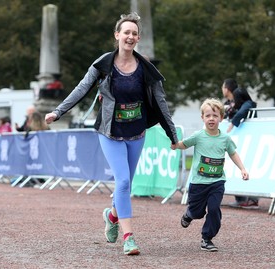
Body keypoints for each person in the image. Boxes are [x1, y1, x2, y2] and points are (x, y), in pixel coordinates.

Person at [44, 12, 178, 256]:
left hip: (137, 132)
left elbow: (160, 101)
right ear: (117, 35)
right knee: (124, 181)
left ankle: (111, 215)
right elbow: (82, 88)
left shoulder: (145, 68)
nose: (130, 36)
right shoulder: (103, 64)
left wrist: (173, 135)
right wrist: (58, 111)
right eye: (126, 32)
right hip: (110, 132)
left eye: (134, 34)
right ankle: (129, 238)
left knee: (125, 185)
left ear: (137, 39)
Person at [171, 98, 249, 252]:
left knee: (214, 209)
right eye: (208, 116)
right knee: (197, 212)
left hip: (217, 182)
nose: (211, 119)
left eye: (214, 115)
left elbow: (233, 154)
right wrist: (175, 145)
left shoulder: (225, 138)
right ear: (202, 118)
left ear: (221, 117)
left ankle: (207, 238)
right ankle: (189, 214)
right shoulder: (198, 136)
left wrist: (242, 169)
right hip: (198, 183)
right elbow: (183, 144)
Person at [222, 78, 259, 209]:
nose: (222, 89)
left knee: (249, 164)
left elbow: (244, 110)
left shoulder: (246, 102)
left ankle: (252, 199)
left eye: (223, 86)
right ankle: (240, 198)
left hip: (249, 137)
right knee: (236, 166)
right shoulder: (229, 103)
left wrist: (232, 123)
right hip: (238, 139)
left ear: (227, 88)